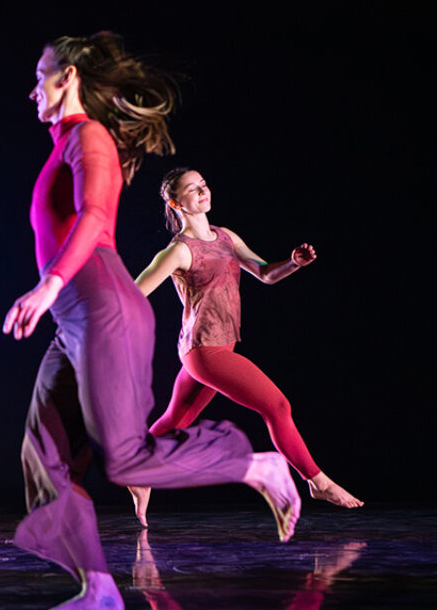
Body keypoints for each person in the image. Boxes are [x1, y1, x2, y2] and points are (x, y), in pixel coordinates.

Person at [2, 33, 300, 610]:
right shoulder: (64, 142)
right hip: (76, 320)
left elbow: (94, 218)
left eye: (42, 74)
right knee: (45, 454)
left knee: (125, 459)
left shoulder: (90, 138)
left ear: (70, 78)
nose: (33, 86)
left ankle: (258, 466)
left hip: (104, 310)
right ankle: (97, 589)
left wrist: (51, 283)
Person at [128, 167, 363, 525]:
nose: (203, 192)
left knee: (177, 419)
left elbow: (265, 273)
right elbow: (133, 294)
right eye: (193, 190)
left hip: (219, 347)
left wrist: (293, 263)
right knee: (277, 406)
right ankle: (317, 481)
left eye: (204, 185)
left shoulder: (225, 237)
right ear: (177, 203)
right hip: (205, 351)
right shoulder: (177, 252)